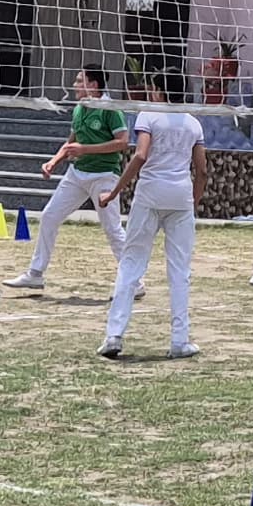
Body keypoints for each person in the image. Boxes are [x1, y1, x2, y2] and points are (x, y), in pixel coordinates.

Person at [100, 82, 206, 361]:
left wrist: (113, 193)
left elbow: (140, 155)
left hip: (150, 195)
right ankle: (179, 341)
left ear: (159, 91)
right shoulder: (194, 123)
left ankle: (114, 335)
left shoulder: (148, 114)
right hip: (180, 197)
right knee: (180, 272)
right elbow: (203, 171)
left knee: (131, 264)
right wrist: (192, 203)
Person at [8, 67, 129, 290]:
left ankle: (134, 281)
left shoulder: (110, 109)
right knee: (49, 216)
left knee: (112, 229)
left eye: (79, 81)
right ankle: (35, 273)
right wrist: (53, 162)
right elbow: (71, 141)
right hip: (77, 173)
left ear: (93, 85)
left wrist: (86, 149)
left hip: (104, 175)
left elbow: (122, 142)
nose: (74, 85)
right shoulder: (80, 108)